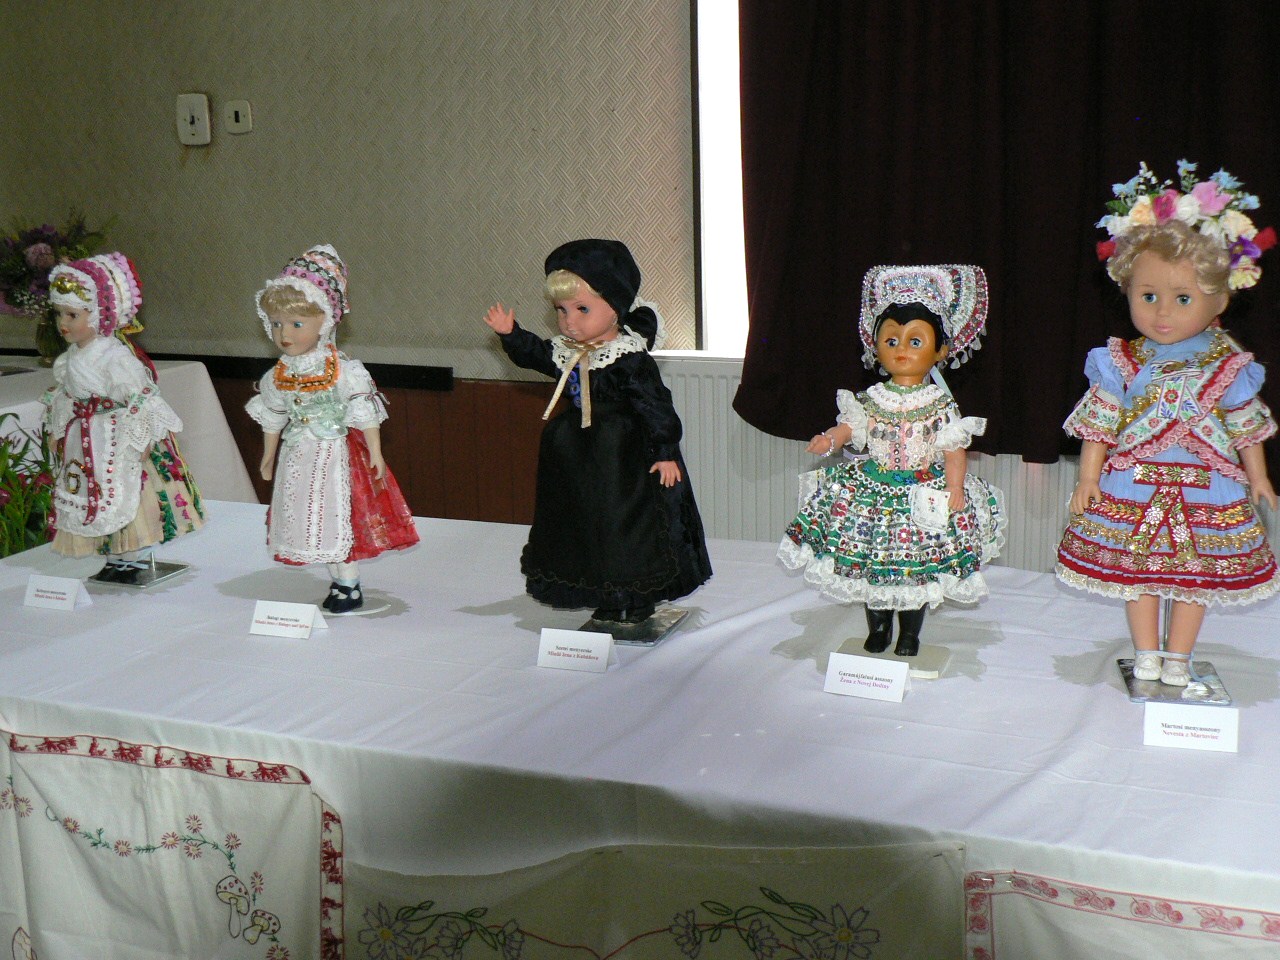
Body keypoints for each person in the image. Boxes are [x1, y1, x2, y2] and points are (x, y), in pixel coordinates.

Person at [1057, 161, 1279, 686]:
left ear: (1220, 298)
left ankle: (1178, 656)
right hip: (1132, 483)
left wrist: (1260, 475)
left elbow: (1244, 425)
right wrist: (1088, 476)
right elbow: (1101, 424)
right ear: (1128, 292)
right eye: (1148, 296)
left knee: (1194, 577)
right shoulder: (1120, 360)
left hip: (1208, 486)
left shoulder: (1228, 364)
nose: (1162, 313)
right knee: (1137, 574)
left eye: (1183, 299)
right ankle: (1147, 653)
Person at [779, 264, 1005, 656]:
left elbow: (954, 449)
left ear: (941, 350)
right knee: (874, 566)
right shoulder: (872, 399)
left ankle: (910, 634)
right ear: (875, 345)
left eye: (915, 341)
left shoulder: (939, 403)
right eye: (891, 339)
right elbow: (850, 428)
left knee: (915, 570)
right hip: (873, 492)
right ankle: (879, 628)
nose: (902, 349)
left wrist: (954, 486)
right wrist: (829, 439)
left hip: (923, 495)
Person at [483, 238, 712, 623]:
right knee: (586, 523)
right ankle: (603, 593)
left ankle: (637, 598)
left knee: (627, 524)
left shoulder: (628, 357)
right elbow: (536, 354)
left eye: (582, 309)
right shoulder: (567, 351)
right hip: (577, 456)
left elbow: (656, 406)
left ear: (615, 308)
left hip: (625, 459)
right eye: (561, 310)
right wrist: (511, 334)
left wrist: (665, 452)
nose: (569, 321)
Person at [246, 245, 418, 614]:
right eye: (276, 324)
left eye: (296, 324)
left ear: (324, 321)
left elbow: (363, 410)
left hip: (334, 455)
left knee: (337, 516)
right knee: (307, 518)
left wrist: (376, 451)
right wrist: (268, 455)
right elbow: (274, 413)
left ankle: (348, 583)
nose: (284, 334)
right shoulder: (279, 373)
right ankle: (337, 580)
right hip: (298, 457)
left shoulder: (342, 370)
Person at [43, 253, 204, 581]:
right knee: (90, 491)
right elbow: (65, 397)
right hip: (84, 437)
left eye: (73, 314)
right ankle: (112, 555)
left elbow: (140, 400)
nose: (63, 323)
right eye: (59, 314)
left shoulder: (115, 358)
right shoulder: (69, 359)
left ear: (99, 314)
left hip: (115, 436)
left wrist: (141, 439)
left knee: (125, 491)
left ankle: (132, 554)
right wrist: (58, 429)